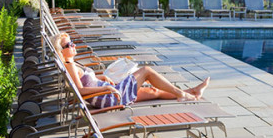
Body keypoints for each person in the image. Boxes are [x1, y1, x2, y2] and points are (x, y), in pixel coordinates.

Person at [52, 33, 209, 109]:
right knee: (146, 71)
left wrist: (102, 78)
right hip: (108, 97)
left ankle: (193, 92)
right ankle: (182, 94)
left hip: (107, 93)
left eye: (72, 42)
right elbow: (80, 90)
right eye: (68, 45)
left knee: (154, 91)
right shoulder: (70, 65)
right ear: (61, 51)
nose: (73, 45)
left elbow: (86, 79)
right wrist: (105, 87)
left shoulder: (72, 63)